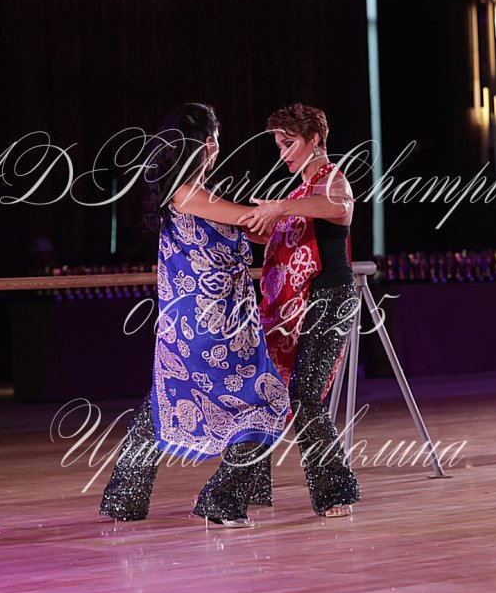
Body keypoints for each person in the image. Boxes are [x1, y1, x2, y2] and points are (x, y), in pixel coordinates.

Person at [100, 102, 294, 528]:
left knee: (167, 399)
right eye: (218, 137)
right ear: (208, 143)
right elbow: (247, 219)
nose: (219, 145)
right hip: (208, 324)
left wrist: (267, 221)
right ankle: (221, 500)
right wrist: (282, 208)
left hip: (210, 322)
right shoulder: (187, 194)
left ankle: (124, 498)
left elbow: (250, 229)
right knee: (267, 402)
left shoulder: (198, 195)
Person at [239, 103, 361, 518]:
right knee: (264, 391)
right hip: (296, 306)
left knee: (306, 394)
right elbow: (276, 233)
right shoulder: (298, 194)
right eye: (278, 145)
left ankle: (337, 492)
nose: (283, 153)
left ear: (315, 140)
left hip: (329, 299)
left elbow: (339, 207)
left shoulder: (333, 179)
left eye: (289, 143)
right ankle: (247, 489)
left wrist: (279, 208)